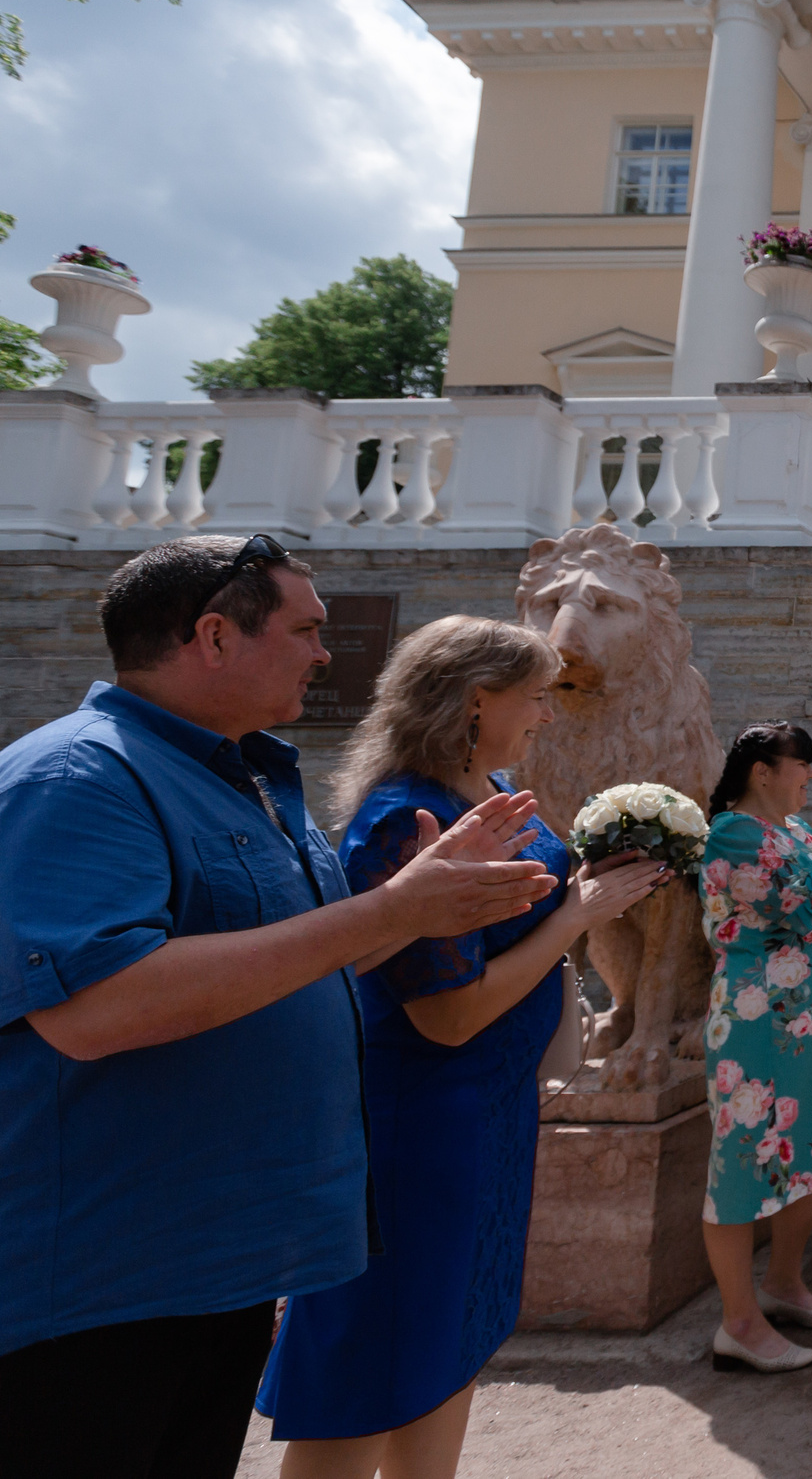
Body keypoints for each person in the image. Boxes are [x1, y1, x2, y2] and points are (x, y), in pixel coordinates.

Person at [0, 536, 557, 1479]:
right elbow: (94, 1006)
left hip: (219, 1268)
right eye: (304, 629)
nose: (325, 654)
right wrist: (391, 909)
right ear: (214, 636)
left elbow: (316, 962)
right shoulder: (78, 776)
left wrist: (415, 900)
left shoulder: (249, 778)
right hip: (103, 1288)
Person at [257, 617, 670, 1474]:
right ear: (477, 700)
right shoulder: (405, 821)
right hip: (419, 1131)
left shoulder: (483, 787)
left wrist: (584, 893)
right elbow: (446, 1016)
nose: (549, 715)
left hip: (485, 1115)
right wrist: (575, 916)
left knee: (448, 1349)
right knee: (371, 1372)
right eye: (535, 695)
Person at [698, 723, 812, 1374]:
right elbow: (802, 911)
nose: (809, 773)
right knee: (745, 1162)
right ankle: (739, 1322)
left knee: (811, 1150)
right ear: (761, 770)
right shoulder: (732, 833)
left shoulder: (798, 831)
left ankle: (782, 1282)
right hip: (758, 1032)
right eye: (799, 763)